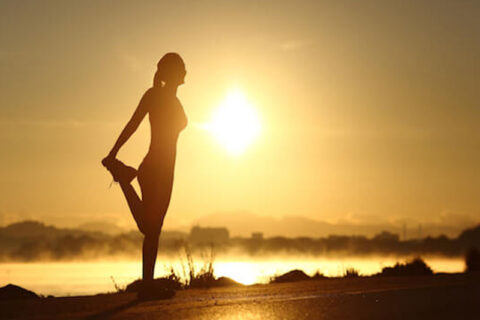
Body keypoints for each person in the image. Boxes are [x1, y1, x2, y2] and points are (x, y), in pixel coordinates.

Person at [102, 52, 188, 299]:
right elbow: (132, 124)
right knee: (151, 229)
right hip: (154, 168)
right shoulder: (153, 96)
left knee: (152, 228)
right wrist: (113, 152)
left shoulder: (173, 100)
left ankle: (148, 284)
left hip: (166, 171)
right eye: (182, 67)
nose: (186, 71)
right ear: (172, 72)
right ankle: (148, 285)